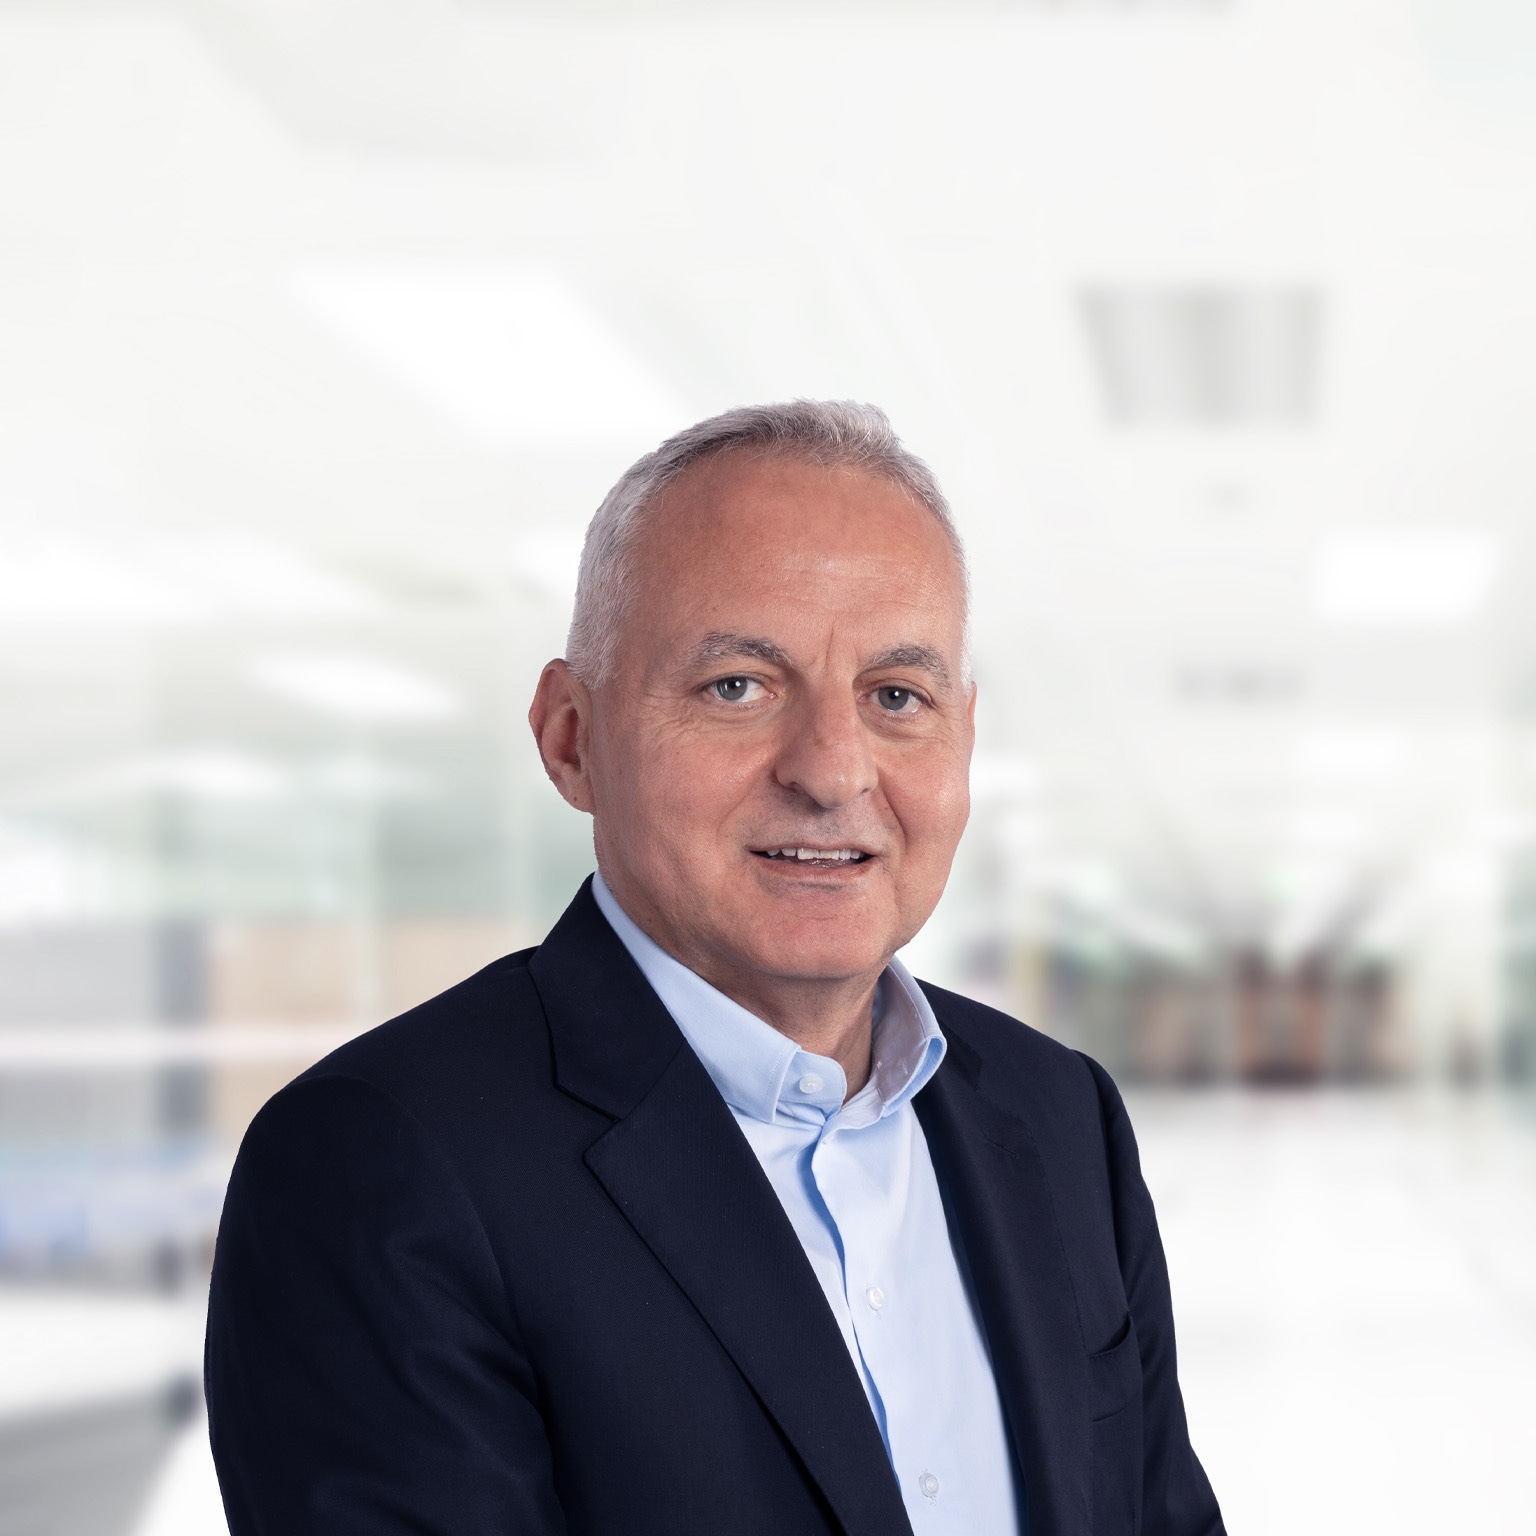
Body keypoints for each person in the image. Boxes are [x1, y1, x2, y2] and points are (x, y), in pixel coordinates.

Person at [205, 401, 1223, 1536]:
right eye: (739, 685)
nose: (835, 771)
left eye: (897, 697)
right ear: (571, 738)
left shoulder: (1058, 1115)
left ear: (964, 739)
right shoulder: (381, 1168)